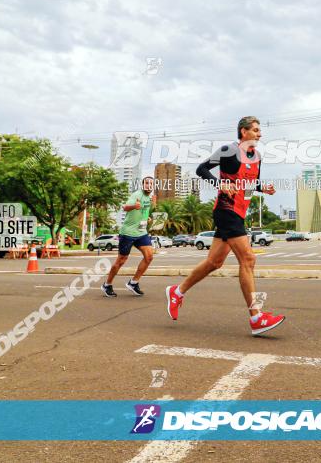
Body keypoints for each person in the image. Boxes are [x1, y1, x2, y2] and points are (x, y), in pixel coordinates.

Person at [166, 116, 285, 335]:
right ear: (243, 132)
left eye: (260, 130)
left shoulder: (257, 156)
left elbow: (250, 182)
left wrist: (263, 188)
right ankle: (257, 317)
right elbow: (202, 169)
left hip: (239, 213)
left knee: (214, 262)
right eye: (256, 130)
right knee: (248, 258)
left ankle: (177, 291)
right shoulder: (228, 150)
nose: (260, 134)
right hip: (226, 210)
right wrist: (219, 182)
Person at [102, 176, 157, 297]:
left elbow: (144, 210)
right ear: (143, 185)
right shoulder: (136, 195)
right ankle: (107, 285)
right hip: (128, 233)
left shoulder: (149, 197)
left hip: (141, 232)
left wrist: (146, 218)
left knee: (149, 257)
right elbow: (125, 207)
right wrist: (133, 206)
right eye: (146, 183)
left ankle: (133, 283)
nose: (149, 185)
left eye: (151, 183)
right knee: (121, 261)